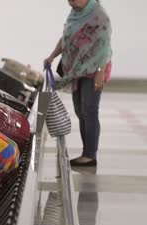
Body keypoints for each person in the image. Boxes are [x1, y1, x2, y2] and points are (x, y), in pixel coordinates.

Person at [44, 0, 112, 166]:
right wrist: (52, 56)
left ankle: (90, 155)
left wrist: (100, 72)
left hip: (94, 69)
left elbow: (105, 48)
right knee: (80, 111)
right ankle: (86, 152)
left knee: (90, 110)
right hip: (77, 69)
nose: (70, 3)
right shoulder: (75, 14)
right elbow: (67, 37)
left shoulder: (99, 16)